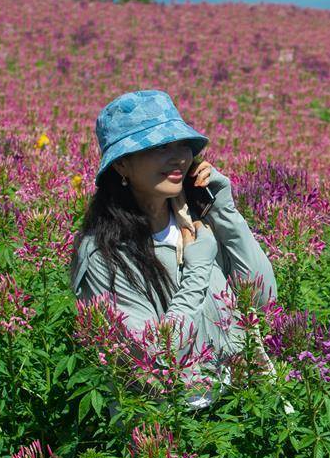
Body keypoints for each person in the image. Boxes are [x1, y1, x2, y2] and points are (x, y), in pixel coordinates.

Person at [69, 90, 277, 408]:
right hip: (173, 428)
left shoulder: (199, 222)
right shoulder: (104, 254)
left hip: (241, 409)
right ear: (122, 165)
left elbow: (263, 299)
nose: (178, 156)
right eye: (160, 146)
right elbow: (155, 354)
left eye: (182, 144)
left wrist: (225, 211)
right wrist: (197, 267)